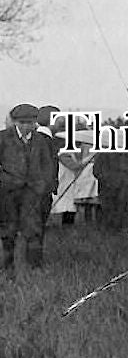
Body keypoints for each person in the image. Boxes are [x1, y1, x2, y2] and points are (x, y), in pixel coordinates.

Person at [0, 104, 57, 272]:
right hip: (8, 193)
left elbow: (48, 165)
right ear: (15, 122)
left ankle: (35, 267)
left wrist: (43, 187)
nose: (26, 126)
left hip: (33, 193)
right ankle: (6, 266)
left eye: (30, 122)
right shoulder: (3, 138)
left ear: (35, 122)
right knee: (8, 230)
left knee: (34, 229)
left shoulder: (41, 141)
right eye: (22, 122)